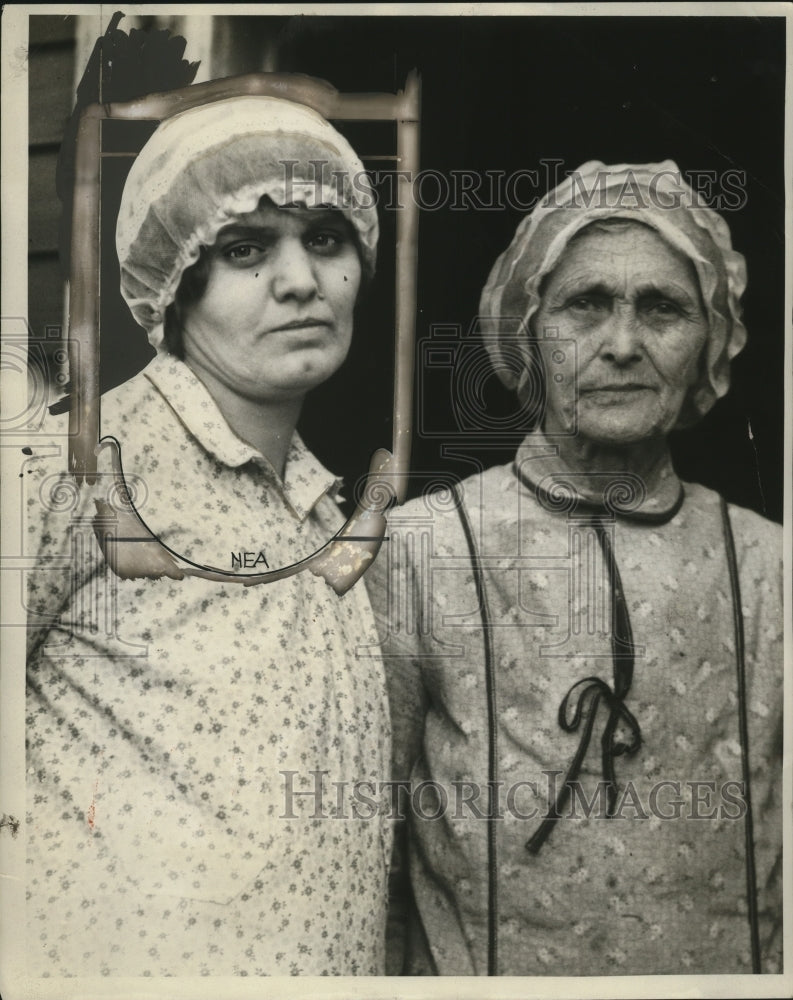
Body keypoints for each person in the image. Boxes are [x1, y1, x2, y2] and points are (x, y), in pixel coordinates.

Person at [368, 161, 783, 976]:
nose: (621, 344)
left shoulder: (769, 566)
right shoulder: (423, 549)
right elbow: (358, 852)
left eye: (661, 309)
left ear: (711, 342)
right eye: (584, 305)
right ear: (528, 330)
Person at [25, 95, 391, 976]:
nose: (301, 281)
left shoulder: (324, 512)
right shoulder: (72, 464)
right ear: (174, 283)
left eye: (326, 240)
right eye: (246, 249)